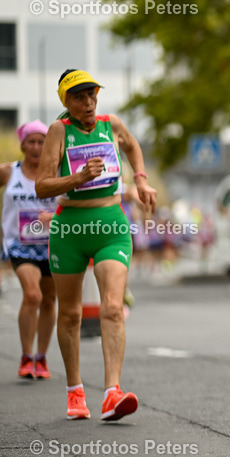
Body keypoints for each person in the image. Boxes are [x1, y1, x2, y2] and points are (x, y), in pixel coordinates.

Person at [36, 69, 157, 420]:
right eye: (79, 97)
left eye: (92, 94)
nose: (88, 102)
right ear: (67, 102)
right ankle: (75, 391)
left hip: (111, 225)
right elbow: (41, 186)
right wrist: (78, 177)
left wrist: (142, 179)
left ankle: (111, 393)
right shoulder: (59, 132)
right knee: (71, 313)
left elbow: (132, 145)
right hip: (70, 229)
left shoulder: (111, 123)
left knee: (113, 308)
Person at [2, 121, 59, 379]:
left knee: (49, 300)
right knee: (33, 295)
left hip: (53, 244)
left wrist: (56, 214)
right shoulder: (8, 172)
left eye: (41, 141)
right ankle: (26, 357)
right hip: (20, 245)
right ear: (23, 144)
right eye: (32, 141)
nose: (36, 147)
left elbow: (76, 202)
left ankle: (42, 358)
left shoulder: (58, 173)